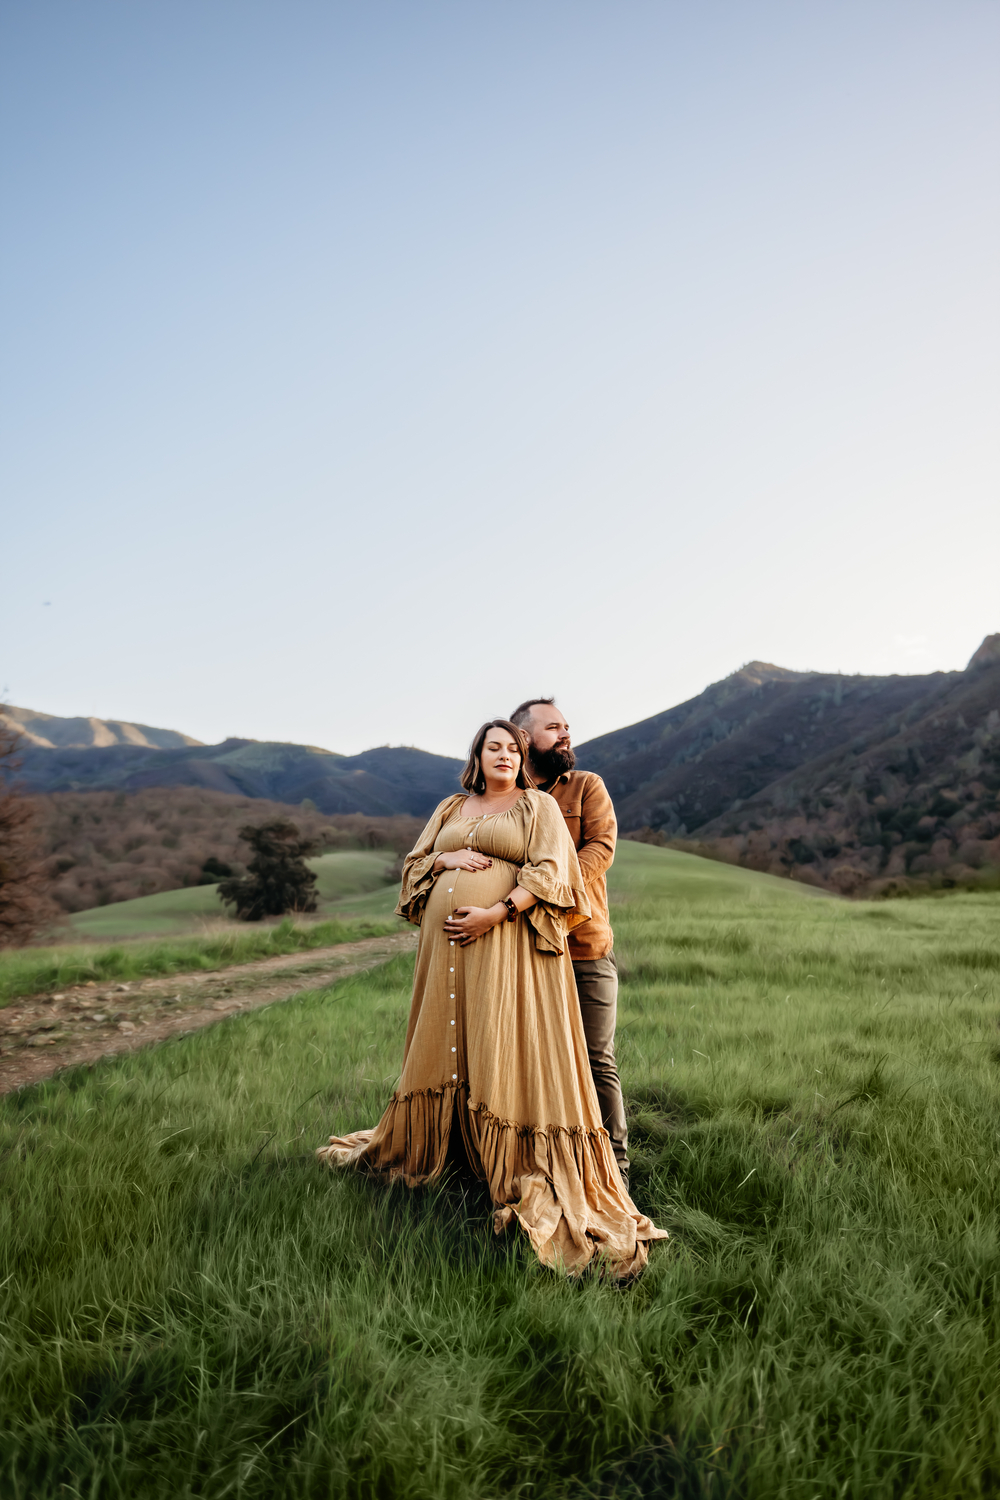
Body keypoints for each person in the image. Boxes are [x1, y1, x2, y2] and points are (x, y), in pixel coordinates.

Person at [317, 719, 666, 1279]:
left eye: (512, 748)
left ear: (522, 759)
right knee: (453, 1046)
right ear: (476, 757)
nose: (503, 755)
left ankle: (514, 1164)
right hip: (444, 955)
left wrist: (494, 912)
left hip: (506, 946)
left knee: (498, 1042)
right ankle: (456, 1155)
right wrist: (443, 862)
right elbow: (412, 866)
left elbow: (555, 872)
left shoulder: (537, 808)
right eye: (492, 747)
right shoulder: (450, 807)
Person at [509, 698, 629, 1187]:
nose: (565, 735)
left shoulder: (586, 787)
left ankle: (616, 1170)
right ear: (523, 738)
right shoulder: (505, 795)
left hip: (584, 946)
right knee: (528, 1061)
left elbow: (600, 849)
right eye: (553, 727)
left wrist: (542, 887)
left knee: (597, 1058)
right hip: (519, 951)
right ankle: (540, 1163)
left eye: (566, 727)